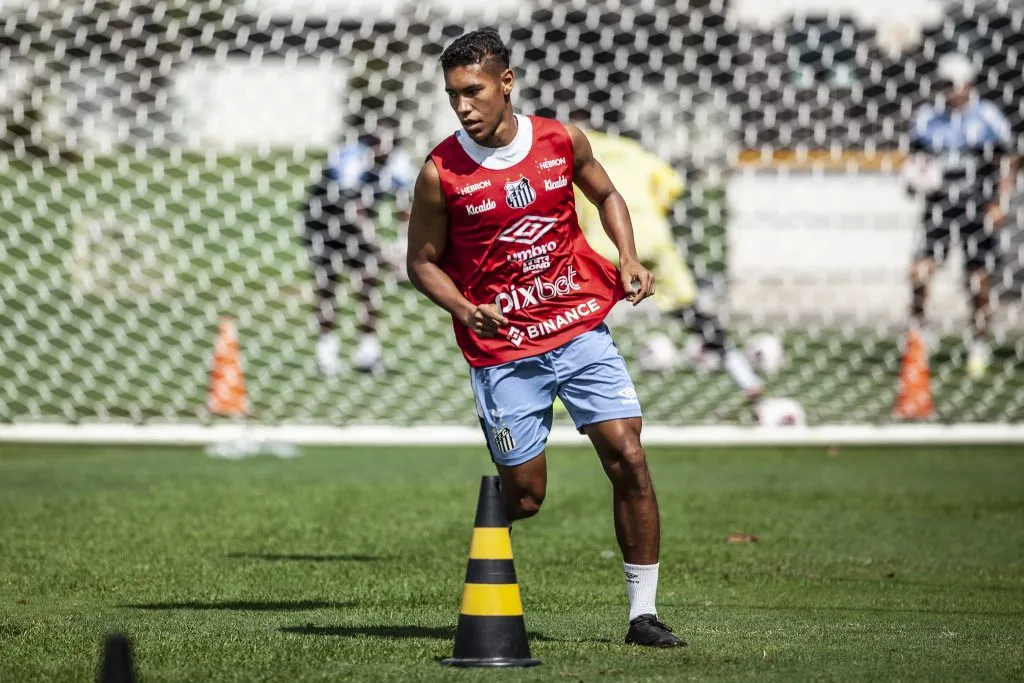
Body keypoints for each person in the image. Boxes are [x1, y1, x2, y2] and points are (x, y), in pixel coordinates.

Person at [406, 29, 684, 648]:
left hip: (577, 325)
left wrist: (628, 257)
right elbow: (420, 263)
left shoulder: (561, 140)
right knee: (527, 498)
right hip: (503, 350)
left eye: (474, 92)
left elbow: (606, 193)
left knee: (629, 456)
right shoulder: (440, 172)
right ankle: (488, 543)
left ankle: (643, 615)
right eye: (453, 96)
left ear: (506, 83)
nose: (463, 107)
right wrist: (465, 308)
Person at [570, 113, 765, 408]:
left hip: (606, 241)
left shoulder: (572, 154)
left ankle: (566, 387)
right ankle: (744, 375)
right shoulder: (631, 149)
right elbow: (671, 185)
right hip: (652, 237)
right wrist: (649, 214)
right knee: (689, 308)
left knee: (570, 314)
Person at [903, 53, 1019, 378]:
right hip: (939, 208)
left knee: (979, 281)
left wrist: (1000, 201)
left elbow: (1009, 160)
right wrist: (913, 180)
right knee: (919, 274)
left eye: (955, 84)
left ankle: (978, 343)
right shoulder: (927, 118)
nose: (951, 90)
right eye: (945, 84)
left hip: (977, 208)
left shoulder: (987, 117)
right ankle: (920, 337)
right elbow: (914, 160)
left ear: (969, 84)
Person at [302, 116, 413, 376]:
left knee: (368, 283)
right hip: (324, 222)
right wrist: (382, 252)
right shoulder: (351, 159)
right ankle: (326, 354)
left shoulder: (399, 161)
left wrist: (405, 244)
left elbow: (405, 204)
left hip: (360, 227)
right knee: (327, 284)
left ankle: (368, 354)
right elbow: (353, 210)